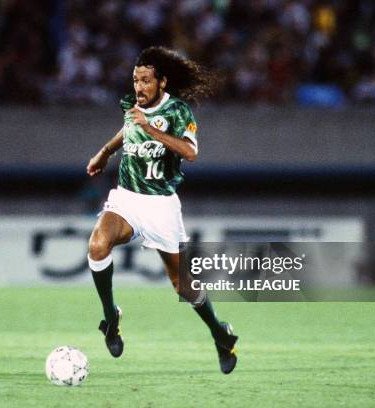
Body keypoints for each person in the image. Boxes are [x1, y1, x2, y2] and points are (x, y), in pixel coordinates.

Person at [85, 46, 238, 375]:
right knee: (98, 245)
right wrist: (104, 153)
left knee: (182, 283)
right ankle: (111, 319)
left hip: (161, 206)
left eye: (145, 81)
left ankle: (219, 333)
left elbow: (190, 152)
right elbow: (129, 130)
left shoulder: (179, 112)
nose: (138, 87)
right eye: (135, 80)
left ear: (162, 83)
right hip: (127, 197)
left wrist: (151, 127)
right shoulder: (133, 106)